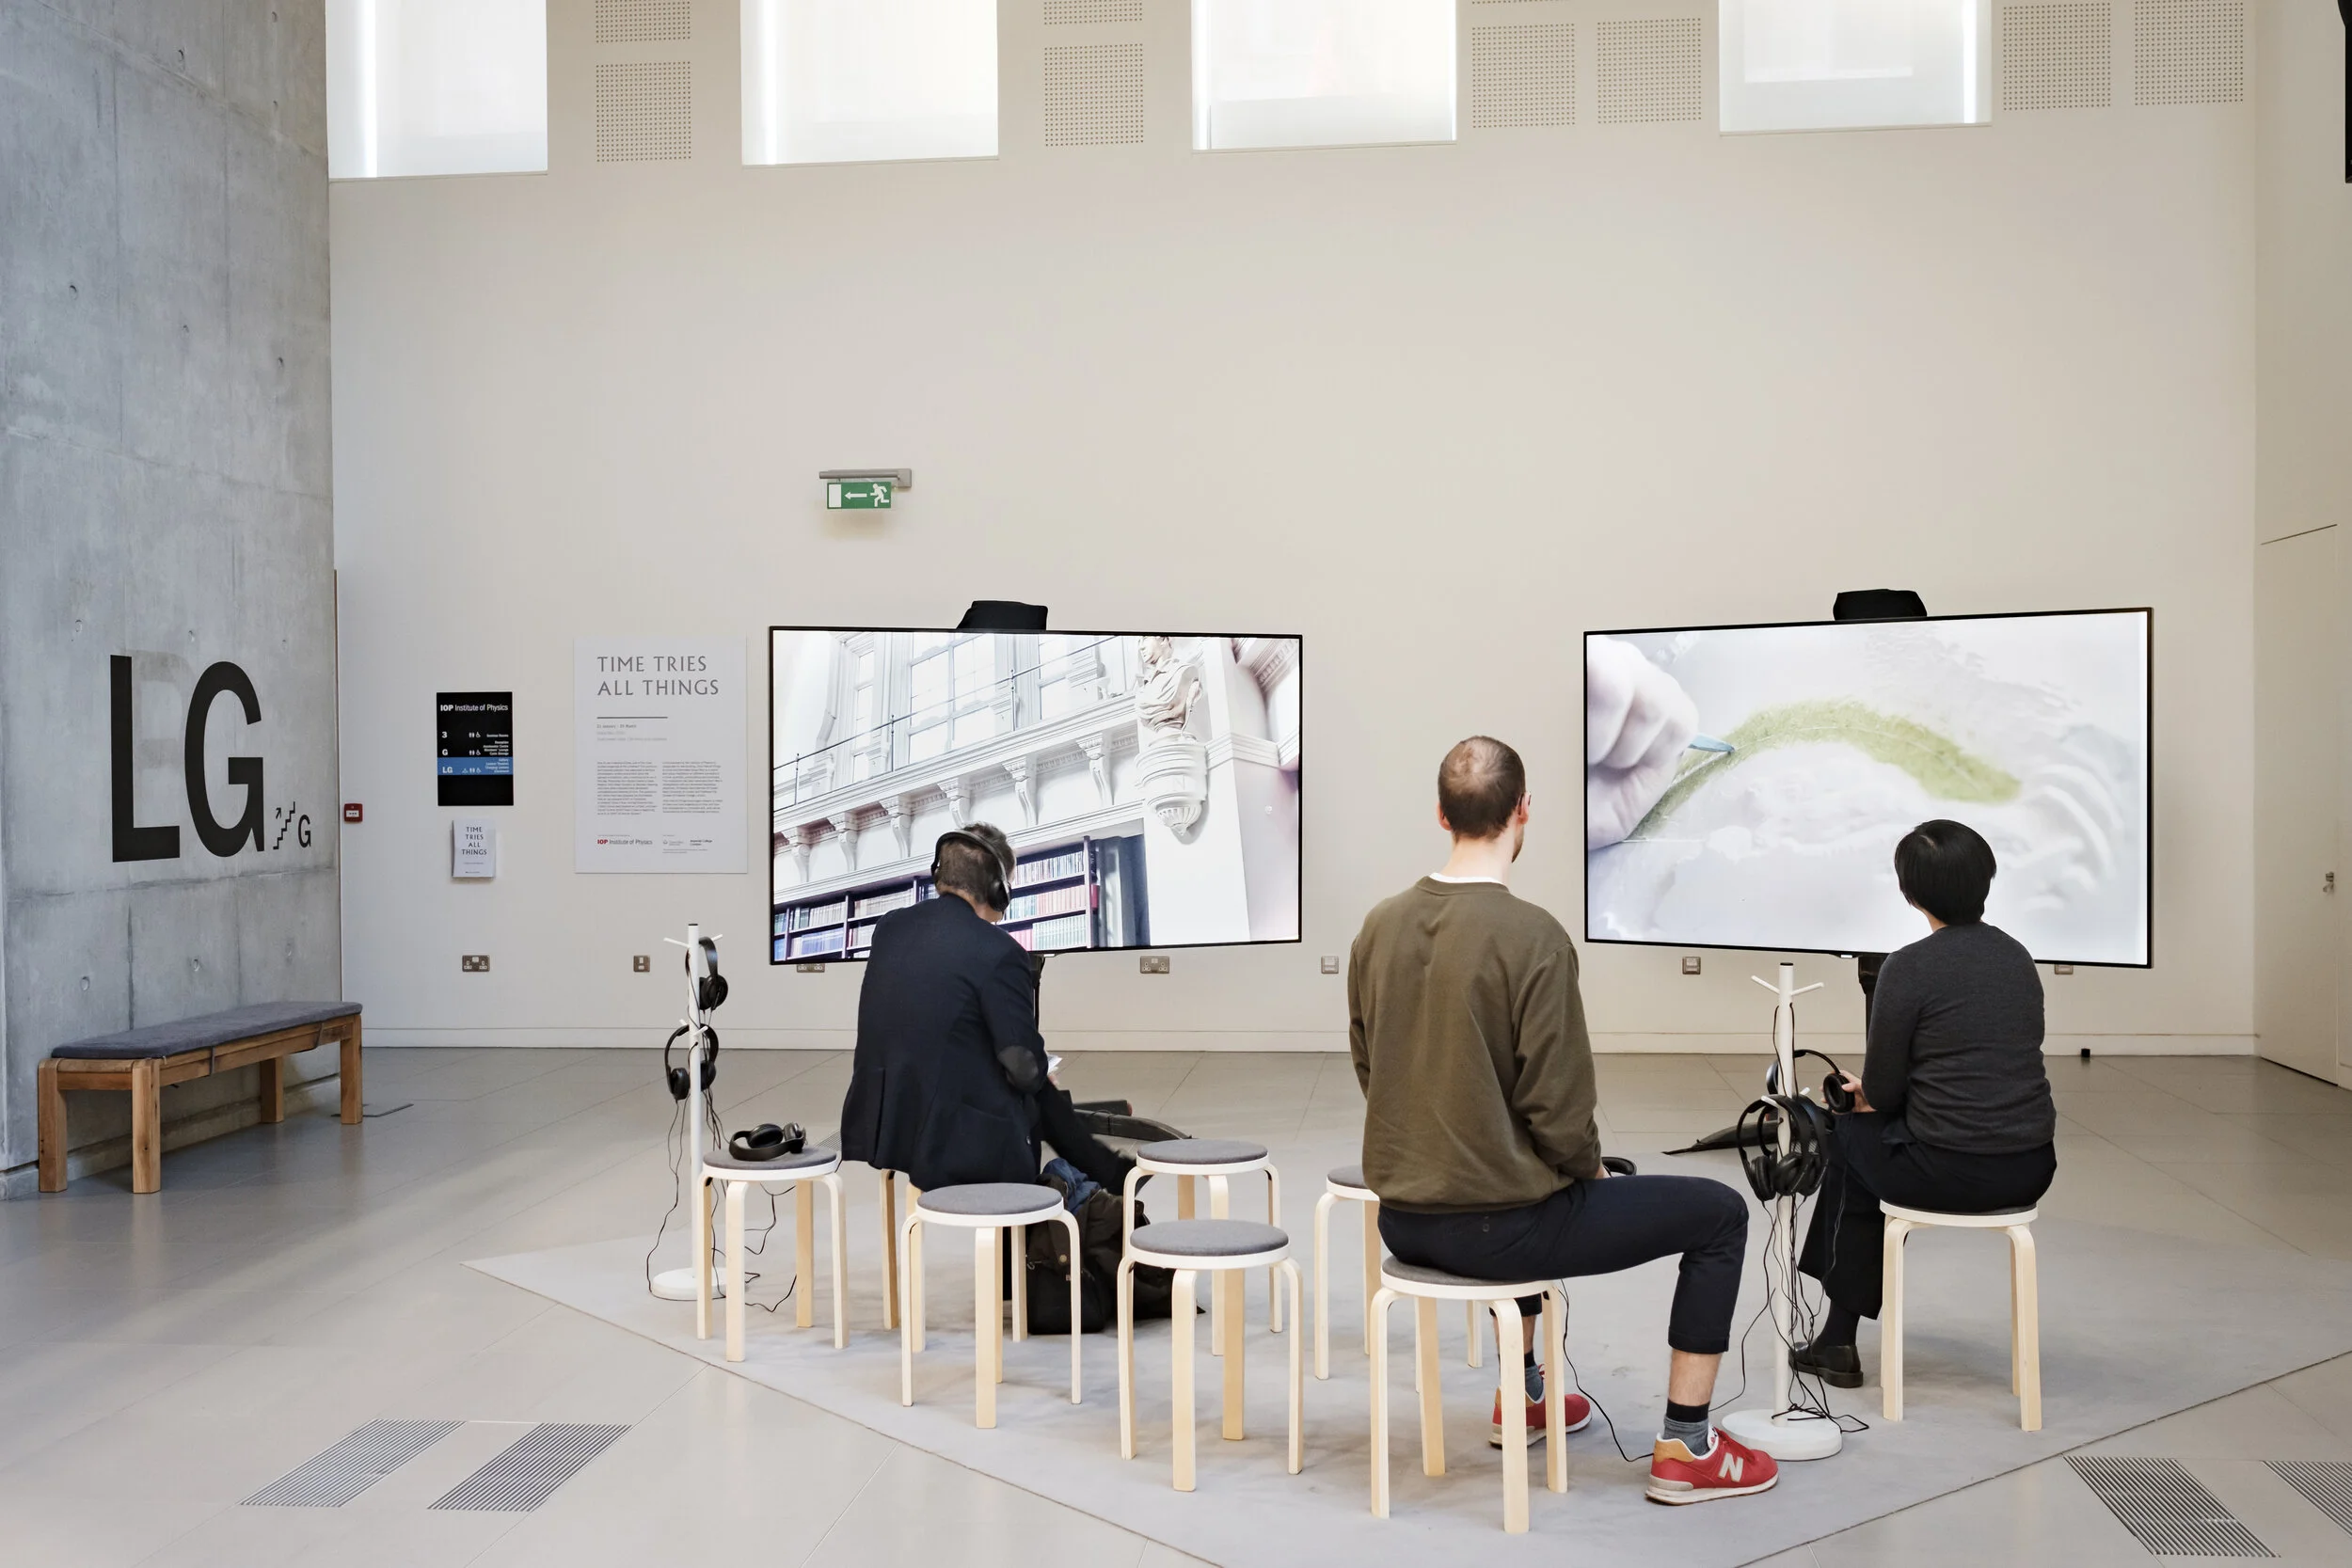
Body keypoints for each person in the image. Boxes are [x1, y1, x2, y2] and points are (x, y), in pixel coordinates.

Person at [1350, 736, 1778, 1506]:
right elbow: (1560, 1111)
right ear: (1523, 811)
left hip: (1405, 1219)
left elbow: (1370, 1070)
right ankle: (1687, 1446)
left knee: (1523, 1179)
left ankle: (1529, 1397)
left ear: (1442, 814)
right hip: (1500, 1227)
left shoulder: (1377, 926)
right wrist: (1583, 1167)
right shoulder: (1534, 936)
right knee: (1717, 1214)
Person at [1793, 819, 2058, 1387]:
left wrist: (1862, 1096)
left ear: (1908, 893)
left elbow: (1885, 1093)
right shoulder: (2017, 958)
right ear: (1986, 879)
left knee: (1847, 1143)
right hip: (2030, 1167)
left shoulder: (1908, 966)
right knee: (1866, 1144)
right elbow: (1981, 1064)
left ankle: (1838, 1339)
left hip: (1948, 1169)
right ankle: (1835, 1338)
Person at [838, 823, 1132, 1197]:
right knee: (1037, 1089)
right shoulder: (999, 951)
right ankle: (1106, 1179)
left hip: (887, 1121)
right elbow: (1024, 1068)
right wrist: (1037, 1072)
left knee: (1026, 1081)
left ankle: (1110, 1174)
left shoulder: (890, 928)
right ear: (998, 890)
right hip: (952, 1134)